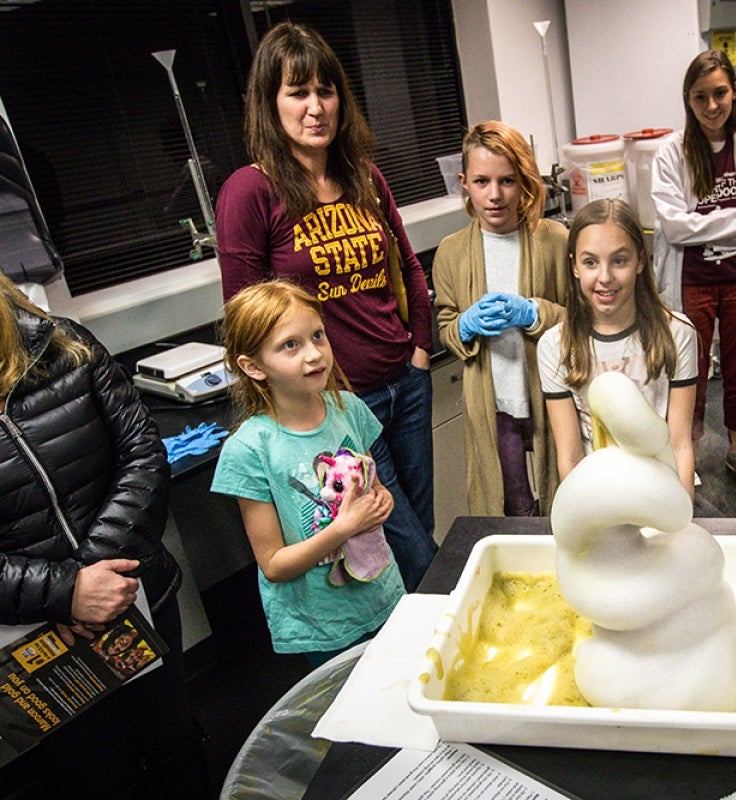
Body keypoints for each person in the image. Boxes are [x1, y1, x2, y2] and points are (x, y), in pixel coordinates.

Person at [215, 21, 436, 590]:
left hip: (405, 384)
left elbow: (408, 267)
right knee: (407, 544)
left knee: (415, 523)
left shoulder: (364, 176)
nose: (315, 107)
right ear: (271, 103)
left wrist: (419, 350)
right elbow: (246, 315)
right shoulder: (251, 191)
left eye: (326, 90)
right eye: (297, 92)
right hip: (339, 404)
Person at [0, 273, 209, 798]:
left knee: (174, 745)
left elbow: (141, 451)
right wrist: (67, 592)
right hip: (37, 635)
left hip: (132, 595)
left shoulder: (63, 344)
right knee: (98, 772)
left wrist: (97, 577)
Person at [210, 280, 406, 667]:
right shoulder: (250, 450)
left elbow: (377, 491)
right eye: (290, 345)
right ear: (253, 367)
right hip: (322, 625)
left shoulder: (348, 409)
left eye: (318, 336)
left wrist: (382, 502)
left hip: (383, 596)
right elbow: (273, 564)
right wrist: (342, 529)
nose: (315, 354)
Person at [651, 49, 736, 491]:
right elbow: (675, 228)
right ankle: (692, 454)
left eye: (719, 93)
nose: (711, 106)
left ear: (734, 91)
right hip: (692, 282)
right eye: (700, 96)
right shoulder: (671, 152)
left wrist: (713, 224)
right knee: (692, 371)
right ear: (688, 99)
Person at [432, 121, 569, 517]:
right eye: (481, 181)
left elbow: (580, 320)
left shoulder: (554, 240)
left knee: (566, 494)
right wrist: (465, 325)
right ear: (463, 182)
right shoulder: (452, 253)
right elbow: (446, 329)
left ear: (524, 181)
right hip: (496, 404)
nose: (494, 195)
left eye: (507, 181)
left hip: (551, 396)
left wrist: (535, 312)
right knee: (513, 504)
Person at [538, 198, 699, 495]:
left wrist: (680, 521)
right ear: (574, 266)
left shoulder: (677, 334)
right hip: (598, 492)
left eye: (619, 260)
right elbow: (571, 457)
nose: (605, 277)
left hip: (659, 487)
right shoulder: (555, 345)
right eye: (590, 262)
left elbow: (679, 444)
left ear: (640, 260)